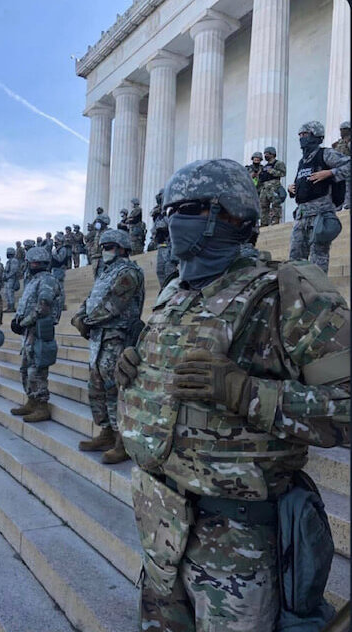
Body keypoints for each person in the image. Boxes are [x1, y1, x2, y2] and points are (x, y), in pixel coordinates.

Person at [115, 158, 350, 632]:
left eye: (186, 209)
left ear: (232, 216)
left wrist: (245, 392)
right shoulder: (175, 293)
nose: (168, 221)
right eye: (167, 210)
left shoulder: (290, 292)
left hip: (237, 547)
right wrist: (136, 375)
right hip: (161, 527)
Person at [72, 229, 145, 464]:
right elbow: (91, 299)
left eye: (110, 246)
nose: (105, 251)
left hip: (117, 336)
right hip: (99, 337)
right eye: (103, 246)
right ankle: (106, 431)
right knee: (96, 384)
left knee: (115, 386)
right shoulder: (104, 272)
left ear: (123, 248)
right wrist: (79, 317)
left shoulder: (128, 273)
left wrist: (87, 321)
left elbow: (114, 305)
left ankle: (121, 440)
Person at [289, 120, 350, 273]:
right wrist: (292, 189)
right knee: (295, 260)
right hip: (301, 216)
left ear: (315, 136)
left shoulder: (326, 154)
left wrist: (330, 173)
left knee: (318, 260)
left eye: (305, 134)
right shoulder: (302, 161)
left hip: (321, 215)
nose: (302, 138)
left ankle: (318, 294)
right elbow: (304, 182)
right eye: (300, 135)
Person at [11, 247, 61, 422]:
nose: (30, 265)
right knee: (26, 368)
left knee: (37, 370)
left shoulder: (47, 280)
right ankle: (31, 401)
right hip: (28, 331)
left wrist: (22, 323)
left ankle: (41, 406)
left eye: (32, 262)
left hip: (39, 330)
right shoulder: (33, 281)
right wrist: (18, 320)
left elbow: (43, 306)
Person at [149, 189, 176, 288]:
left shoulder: (172, 210)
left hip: (170, 246)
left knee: (169, 271)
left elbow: (170, 225)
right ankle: (164, 293)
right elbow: (155, 228)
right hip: (161, 246)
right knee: (160, 271)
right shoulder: (158, 212)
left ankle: (170, 294)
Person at [258, 146, 286, 225]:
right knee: (263, 205)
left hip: (274, 186)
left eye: (267, 153)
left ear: (272, 154)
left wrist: (273, 171)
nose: (265, 155)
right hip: (264, 187)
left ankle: (275, 220)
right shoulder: (265, 166)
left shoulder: (278, 163)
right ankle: (264, 223)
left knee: (275, 203)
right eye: (265, 154)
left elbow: (283, 173)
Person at [332, 121, 351, 210]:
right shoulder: (339, 142)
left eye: (344, 129)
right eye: (341, 130)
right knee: (338, 188)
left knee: (347, 187)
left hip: (347, 169)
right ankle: (339, 205)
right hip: (338, 169)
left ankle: (347, 204)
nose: (342, 131)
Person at [51, 232, 67, 312]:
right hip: (55, 269)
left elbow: (60, 258)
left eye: (56, 240)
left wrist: (53, 255)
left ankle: (62, 304)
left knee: (60, 288)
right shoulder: (55, 249)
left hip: (59, 270)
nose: (55, 241)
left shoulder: (63, 249)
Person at [3, 247, 20, 312]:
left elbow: (13, 270)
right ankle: (9, 307)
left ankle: (12, 307)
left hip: (12, 279)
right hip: (8, 279)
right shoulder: (8, 261)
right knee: (6, 293)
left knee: (10, 293)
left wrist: (7, 276)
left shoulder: (14, 261)